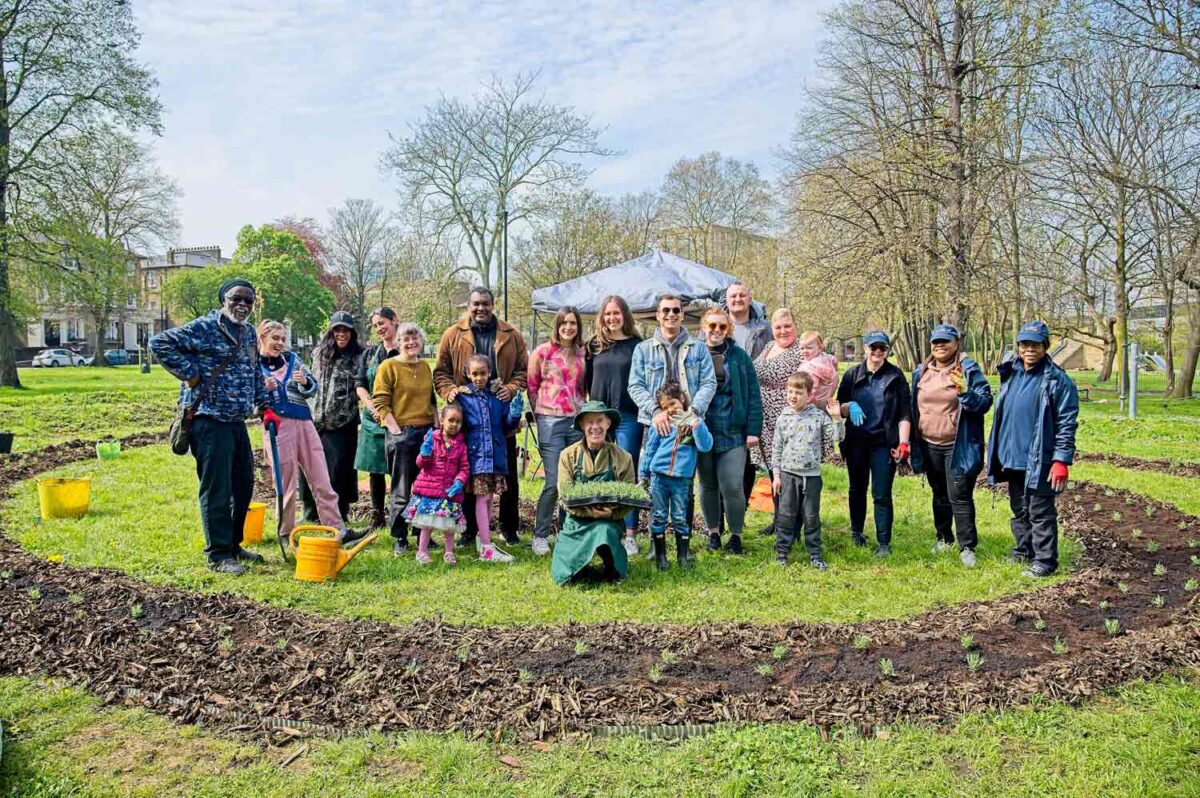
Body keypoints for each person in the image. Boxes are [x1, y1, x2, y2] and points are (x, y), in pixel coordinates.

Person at [150, 278, 268, 575]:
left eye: (248, 301)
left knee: (243, 486)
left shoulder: (249, 333)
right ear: (223, 300)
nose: (242, 305)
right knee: (216, 489)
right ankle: (217, 554)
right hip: (208, 419)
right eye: (236, 299)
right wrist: (190, 374)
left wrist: (264, 402)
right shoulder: (204, 327)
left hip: (236, 420)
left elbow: (255, 370)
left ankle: (232, 545)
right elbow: (159, 343)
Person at [433, 287, 528, 547]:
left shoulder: (512, 335)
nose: (480, 309)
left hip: (500, 418)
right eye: (476, 304)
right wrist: (450, 391)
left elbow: (523, 372)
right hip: (468, 420)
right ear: (469, 305)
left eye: (485, 304)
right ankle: (469, 530)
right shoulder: (453, 335)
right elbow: (440, 372)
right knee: (468, 477)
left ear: (493, 304)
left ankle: (509, 528)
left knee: (507, 475)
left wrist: (509, 390)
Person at [257, 320, 366, 547]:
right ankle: (286, 534)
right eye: (275, 338)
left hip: (305, 423)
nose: (280, 343)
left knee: (321, 479)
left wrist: (305, 381)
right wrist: (263, 392)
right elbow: (248, 404)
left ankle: (338, 530)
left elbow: (313, 388)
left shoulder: (292, 360)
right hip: (278, 427)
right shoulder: (253, 368)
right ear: (262, 338)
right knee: (285, 485)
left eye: (282, 339)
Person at [987, 321, 1079, 578]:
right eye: (1025, 344)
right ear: (1018, 347)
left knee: (1040, 511)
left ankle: (1045, 561)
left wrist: (1061, 460)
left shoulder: (1057, 380)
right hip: (1012, 456)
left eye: (1035, 345)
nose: (1029, 349)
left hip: (1041, 459)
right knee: (1019, 508)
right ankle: (1023, 550)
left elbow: (1067, 423)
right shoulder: (1012, 373)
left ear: (1045, 347)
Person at [910, 324, 993, 568]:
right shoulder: (921, 371)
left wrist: (966, 393)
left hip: (958, 445)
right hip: (929, 444)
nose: (940, 345)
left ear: (956, 343)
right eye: (935, 342)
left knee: (960, 495)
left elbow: (985, 402)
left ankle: (967, 546)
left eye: (945, 341)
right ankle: (944, 537)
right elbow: (913, 406)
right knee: (939, 494)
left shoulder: (968, 369)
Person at [836, 331, 912, 557]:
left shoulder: (896, 376)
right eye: (873, 348)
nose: (877, 352)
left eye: (882, 348)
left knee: (881, 494)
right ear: (866, 349)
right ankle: (856, 532)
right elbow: (837, 408)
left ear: (887, 350)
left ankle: (884, 543)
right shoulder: (852, 375)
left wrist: (904, 443)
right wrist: (850, 406)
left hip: (884, 444)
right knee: (856, 489)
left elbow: (905, 413)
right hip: (856, 443)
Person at [696, 308, 762, 556]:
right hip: (703, 430)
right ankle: (713, 532)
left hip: (733, 429)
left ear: (728, 330)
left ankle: (735, 534)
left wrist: (753, 430)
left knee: (733, 485)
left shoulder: (740, 357)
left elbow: (754, 395)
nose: (716, 331)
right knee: (707, 485)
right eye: (711, 326)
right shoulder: (694, 354)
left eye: (722, 327)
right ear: (704, 326)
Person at [551, 401, 637, 586]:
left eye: (600, 421)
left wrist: (612, 513)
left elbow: (630, 498)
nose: (595, 427)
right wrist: (588, 512)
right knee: (565, 577)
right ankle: (577, 566)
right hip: (577, 522)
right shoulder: (568, 455)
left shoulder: (623, 457)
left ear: (608, 424)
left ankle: (611, 567)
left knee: (603, 531)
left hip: (609, 521)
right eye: (589, 422)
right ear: (582, 425)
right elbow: (564, 497)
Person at [584, 295, 644, 555]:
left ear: (625, 316)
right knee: (599, 470)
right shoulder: (594, 346)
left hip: (628, 414)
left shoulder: (637, 345)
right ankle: (603, 526)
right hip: (599, 416)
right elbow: (587, 381)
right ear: (602, 317)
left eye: (616, 313)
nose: (612, 318)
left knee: (627, 470)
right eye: (607, 314)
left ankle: (630, 533)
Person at [372, 322, 437, 555]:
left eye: (415, 338)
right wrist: (396, 432)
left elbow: (431, 400)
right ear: (398, 342)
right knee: (402, 489)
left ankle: (423, 535)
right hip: (402, 433)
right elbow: (380, 401)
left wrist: (437, 430)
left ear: (421, 341)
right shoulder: (388, 366)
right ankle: (400, 536)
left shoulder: (425, 367)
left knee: (426, 487)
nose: (411, 343)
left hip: (427, 433)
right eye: (405, 339)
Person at [528, 306, 587, 556]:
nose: (568, 328)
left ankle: (565, 532)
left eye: (573, 323)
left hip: (576, 421)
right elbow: (531, 386)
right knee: (553, 482)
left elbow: (585, 387)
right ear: (557, 325)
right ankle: (540, 534)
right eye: (564, 323)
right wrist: (541, 415)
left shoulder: (583, 353)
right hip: (550, 422)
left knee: (571, 481)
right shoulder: (543, 352)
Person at [771, 372, 844, 569]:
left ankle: (815, 553)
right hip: (788, 474)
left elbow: (837, 438)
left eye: (799, 392)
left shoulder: (818, 416)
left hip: (811, 477)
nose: (793, 396)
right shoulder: (783, 418)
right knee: (785, 515)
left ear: (809, 395)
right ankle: (782, 551)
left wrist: (837, 418)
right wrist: (776, 475)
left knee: (811, 516)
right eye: (790, 391)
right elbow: (776, 448)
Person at [639, 382, 714, 570]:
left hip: (681, 479)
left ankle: (683, 556)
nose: (671, 410)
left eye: (673, 403)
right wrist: (643, 474)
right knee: (659, 516)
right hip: (659, 477)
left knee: (680, 517)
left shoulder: (695, 423)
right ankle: (661, 557)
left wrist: (696, 425)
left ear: (681, 399)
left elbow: (706, 446)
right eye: (665, 407)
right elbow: (650, 449)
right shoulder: (662, 424)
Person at [300, 311, 365, 525]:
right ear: (332, 331)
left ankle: (339, 515)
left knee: (340, 471)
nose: (341, 334)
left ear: (352, 332)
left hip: (342, 422)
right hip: (315, 419)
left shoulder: (359, 356)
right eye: (338, 329)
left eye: (346, 330)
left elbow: (363, 384)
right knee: (309, 469)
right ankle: (310, 515)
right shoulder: (319, 353)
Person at [457, 354, 522, 563]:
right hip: (476, 456)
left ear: (489, 373)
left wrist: (515, 414)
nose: (479, 378)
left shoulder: (497, 398)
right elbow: (458, 425)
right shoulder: (463, 398)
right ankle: (486, 547)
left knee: (489, 499)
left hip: (495, 456)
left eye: (483, 373)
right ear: (468, 374)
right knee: (482, 498)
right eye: (474, 374)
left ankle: (482, 538)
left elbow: (507, 425)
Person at [750, 308, 807, 536]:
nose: (783, 331)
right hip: (765, 418)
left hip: (788, 419)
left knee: (791, 474)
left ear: (795, 326)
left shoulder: (801, 352)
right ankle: (778, 519)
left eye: (787, 326)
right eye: (778, 327)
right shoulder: (767, 347)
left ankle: (794, 525)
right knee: (775, 472)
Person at [403, 405, 470, 565]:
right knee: (426, 524)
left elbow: (464, 467)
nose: (454, 424)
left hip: (449, 492)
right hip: (429, 490)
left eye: (458, 422)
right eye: (451, 420)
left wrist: (460, 481)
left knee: (449, 526)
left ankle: (448, 552)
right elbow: (421, 464)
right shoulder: (432, 439)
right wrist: (424, 454)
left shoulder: (461, 445)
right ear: (442, 421)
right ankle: (422, 551)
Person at [355, 308, 400, 529]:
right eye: (376, 325)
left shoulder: (406, 350)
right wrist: (371, 406)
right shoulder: (370, 354)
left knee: (399, 468)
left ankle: (399, 513)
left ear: (394, 321)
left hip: (399, 418)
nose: (380, 328)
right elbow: (360, 384)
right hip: (373, 419)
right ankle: (377, 515)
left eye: (382, 323)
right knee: (375, 468)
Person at [725, 280, 772, 360]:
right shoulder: (712, 327)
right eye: (733, 296)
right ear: (726, 301)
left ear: (750, 300)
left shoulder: (765, 328)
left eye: (742, 295)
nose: (738, 299)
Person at [796, 331, 838, 410]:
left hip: (812, 405)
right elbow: (834, 360)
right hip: (825, 401)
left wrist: (802, 404)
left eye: (809, 348)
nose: (805, 351)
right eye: (802, 348)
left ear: (820, 348)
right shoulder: (826, 358)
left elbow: (811, 389)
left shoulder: (810, 369)